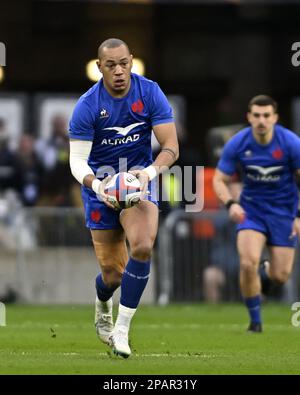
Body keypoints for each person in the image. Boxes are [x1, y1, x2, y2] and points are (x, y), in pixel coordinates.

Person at [69, 38, 179, 357]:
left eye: (124, 63)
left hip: (138, 183)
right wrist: (98, 186)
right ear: (99, 66)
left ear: (132, 60)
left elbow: (171, 146)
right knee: (113, 274)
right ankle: (103, 300)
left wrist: (146, 175)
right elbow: (76, 160)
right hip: (100, 189)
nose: (119, 71)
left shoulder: (150, 92)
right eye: (111, 65)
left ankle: (121, 330)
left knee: (143, 246)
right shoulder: (87, 105)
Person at [213, 94, 300, 332]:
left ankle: (265, 275)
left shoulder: (291, 143)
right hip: (251, 211)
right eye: (257, 115)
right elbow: (219, 179)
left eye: (266, 115)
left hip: (283, 213)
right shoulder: (238, 144)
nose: (262, 120)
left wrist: (298, 215)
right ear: (249, 117)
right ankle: (255, 322)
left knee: (281, 276)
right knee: (248, 262)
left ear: (275, 118)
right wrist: (231, 204)